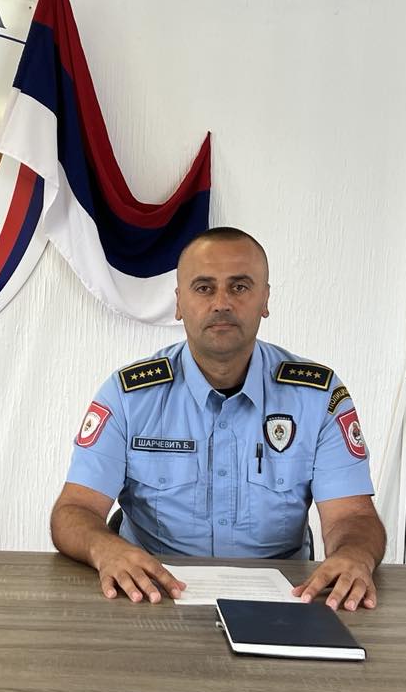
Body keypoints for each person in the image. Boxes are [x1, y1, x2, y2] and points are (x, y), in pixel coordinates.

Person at [49, 227, 387, 609]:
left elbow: (351, 516)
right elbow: (74, 511)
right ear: (179, 302)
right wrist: (105, 549)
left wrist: (354, 555)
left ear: (265, 299)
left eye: (239, 287)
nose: (222, 303)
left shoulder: (318, 396)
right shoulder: (129, 396)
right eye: (204, 288)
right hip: (153, 596)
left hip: (284, 599)